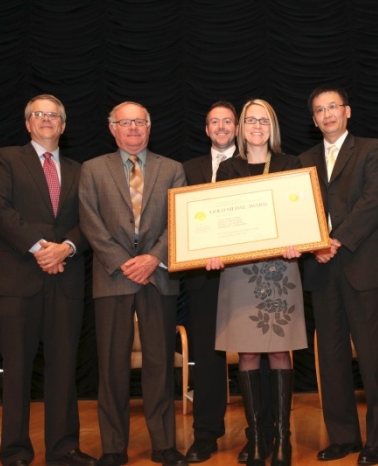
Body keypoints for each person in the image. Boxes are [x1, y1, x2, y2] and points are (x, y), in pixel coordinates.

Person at [0, 94, 96, 466]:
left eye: (54, 115)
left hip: (66, 278)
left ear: (63, 125)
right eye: (38, 114)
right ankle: (15, 450)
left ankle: (63, 448)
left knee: (64, 367)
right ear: (28, 123)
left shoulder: (82, 171)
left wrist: (65, 247)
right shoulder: (6, 158)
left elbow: (91, 221)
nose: (46, 119)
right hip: (16, 280)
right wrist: (39, 247)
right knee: (16, 368)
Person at [79, 102, 188, 466]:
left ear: (149, 127)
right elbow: (90, 222)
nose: (133, 129)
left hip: (157, 277)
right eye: (125, 123)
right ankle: (113, 448)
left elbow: (179, 220)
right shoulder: (93, 170)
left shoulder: (173, 170)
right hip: (112, 277)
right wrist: (124, 263)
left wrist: (153, 258)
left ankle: (164, 445)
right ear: (112, 128)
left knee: (160, 364)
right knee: (111, 367)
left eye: (139, 122)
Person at [299, 85, 378, 466]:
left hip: (363, 263)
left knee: (374, 356)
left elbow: (375, 199)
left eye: (333, 107)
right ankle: (342, 436)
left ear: (348, 111)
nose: (327, 115)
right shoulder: (303, 159)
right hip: (321, 268)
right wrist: (314, 244)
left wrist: (335, 240)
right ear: (313, 119)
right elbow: (298, 209)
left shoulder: (371, 149)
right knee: (332, 357)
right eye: (320, 110)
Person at [205, 99, 307, 466]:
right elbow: (219, 221)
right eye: (250, 120)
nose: (257, 126)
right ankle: (258, 437)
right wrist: (213, 251)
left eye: (264, 119)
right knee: (247, 353)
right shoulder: (228, 168)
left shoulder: (290, 164)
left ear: (272, 125)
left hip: (281, 268)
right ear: (240, 127)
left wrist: (301, 238)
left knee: (280, 351)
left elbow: (299, 214)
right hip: (238, 271)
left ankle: (282, 438)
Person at [181, 101, 235, 462]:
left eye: (227, 121)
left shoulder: (254, 165)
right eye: (214, 121)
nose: (221, 127)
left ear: (237, 127)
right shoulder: (186, 169)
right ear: (206, 129)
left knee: (251, 356)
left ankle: (257, 431)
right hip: (201, 276)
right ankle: (205, 434)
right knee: (207, 356)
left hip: (245, 274)